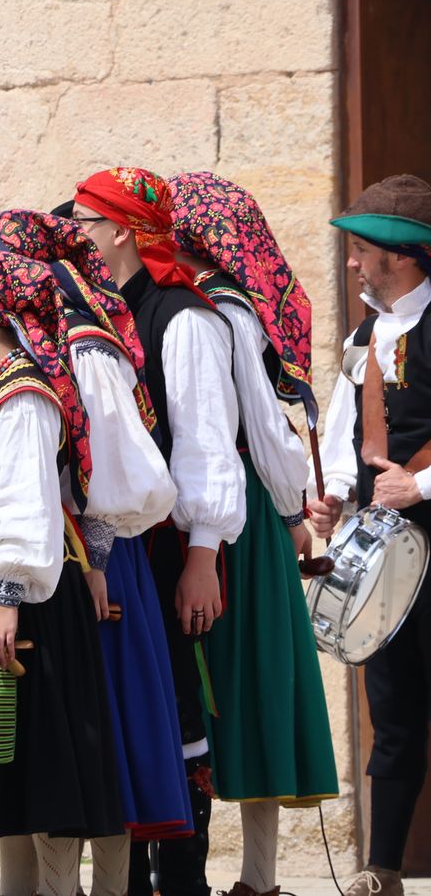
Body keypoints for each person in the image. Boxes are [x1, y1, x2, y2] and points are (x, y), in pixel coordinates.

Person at [0, 210, 189, 896]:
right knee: (42, 747)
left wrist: (92, 557)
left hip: (93, 553)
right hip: (54, 552)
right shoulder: (33, 340)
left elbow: (113, 469)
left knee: (100, 741)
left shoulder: (81, 340)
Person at [67, 168, 247, 896]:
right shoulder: (109, 312)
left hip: (173, 547)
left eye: (84, 221)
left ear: (120, 232)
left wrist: (203, 554)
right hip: (127, 547)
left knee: (175, 708)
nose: (75, 233)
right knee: (137, 711)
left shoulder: (184, 318)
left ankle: (183, 882)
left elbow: (207, 444)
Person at [0, 248, 125, 896]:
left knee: (45, 759)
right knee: (9, 770)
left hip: (31, 595)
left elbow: (28, 500)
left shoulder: (25, 394)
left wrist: (7, 597)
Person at [168, 172, 336, 896]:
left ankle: (258, 877)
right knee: (219, 692)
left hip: (236, 519)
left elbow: (266, 429)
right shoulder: (199, 301)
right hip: (221, 512)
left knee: (250, 687)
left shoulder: (221, 308)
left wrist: (294, 510)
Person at [310, 173, 431, 896]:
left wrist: (419, 484)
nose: (353, 263)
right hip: (387, 554)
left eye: (364, 252)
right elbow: (342, 430)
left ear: (404, 257)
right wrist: (331, 496)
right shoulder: (364, 336)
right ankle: (384, 869)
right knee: (393, 710)